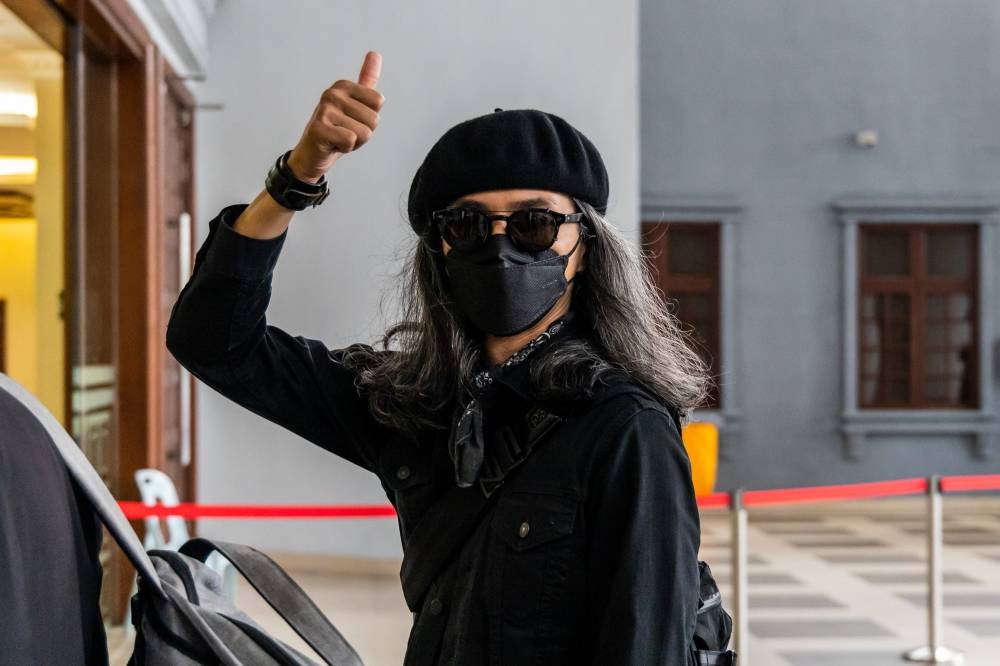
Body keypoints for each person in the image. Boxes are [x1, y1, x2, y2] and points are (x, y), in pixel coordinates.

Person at [167, 51, 713, 666]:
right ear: (442, 250)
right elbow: (213, 342)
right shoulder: (417, 403)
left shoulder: (624, 427)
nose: (502, 244)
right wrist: (298, 176)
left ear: (583, 246)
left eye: (535, 223)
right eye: (470, 224)